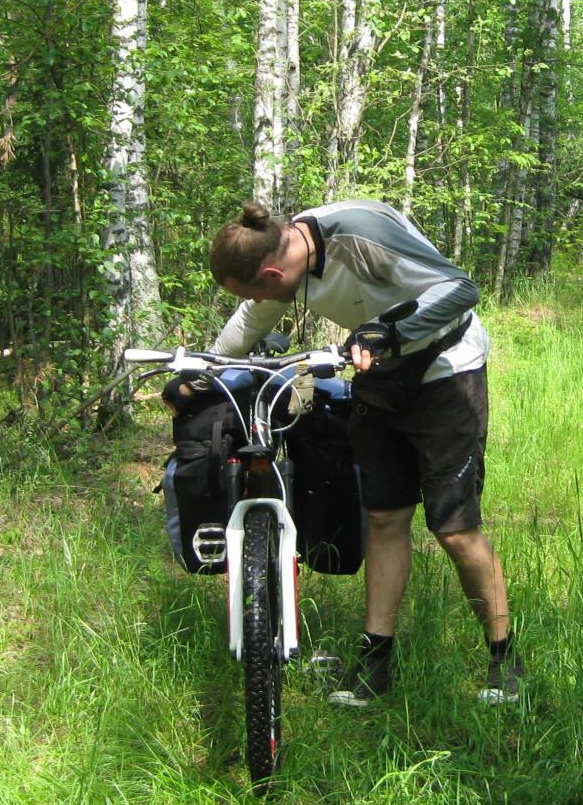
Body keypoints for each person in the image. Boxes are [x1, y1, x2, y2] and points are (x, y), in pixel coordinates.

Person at [208, 198, 522, 706]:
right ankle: (375, 665)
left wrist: (390, 329)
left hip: (447, 372)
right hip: (380, 375)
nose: (258, 302)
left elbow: (461, 289)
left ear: (272, 273)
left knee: (454, 529)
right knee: (383, 517)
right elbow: (250, 321)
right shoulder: (283, 259)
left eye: (255, 291)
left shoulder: (359, 235)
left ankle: (504, 662)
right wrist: (205, 375)